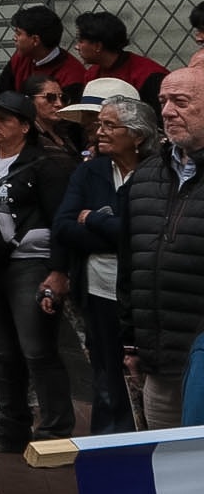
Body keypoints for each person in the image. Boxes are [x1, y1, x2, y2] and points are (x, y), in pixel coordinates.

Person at [47, 93, 155, 434]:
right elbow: (63, 226)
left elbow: (148, 232)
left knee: (148, 376)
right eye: (99, 125)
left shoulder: (158, 172)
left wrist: (94, 219)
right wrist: (117, 230)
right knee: (106, 375)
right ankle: (108, 446)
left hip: (147, 292)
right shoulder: (90, 171)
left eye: (110, 125)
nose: (99, 133)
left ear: (137, 135)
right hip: (98, 289)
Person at [0, 89, 74, 449]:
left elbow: (60, 220)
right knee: (3, 350)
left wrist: (58, 270)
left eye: (4, 119)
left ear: (26, 127)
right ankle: (11, 428)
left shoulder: (43, 165)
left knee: (36, 348)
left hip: (30, 264)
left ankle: (55, 430)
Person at [117, 65, 204, 429]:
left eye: (181, 102)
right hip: (160, 363)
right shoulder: (146, 176)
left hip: (199, 358)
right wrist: (132, 344)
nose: (167, 111)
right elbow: (130, 266)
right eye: (164, 101)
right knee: (169, 470)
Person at [0, 5, 88, 102]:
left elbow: (65, 114)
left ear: (35, 40)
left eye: (18, 33)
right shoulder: (20, 58)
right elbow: (0, 94)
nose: (14, 38)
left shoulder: (72, 75)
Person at [75, 11, 167, 107]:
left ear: (98, 46)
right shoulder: (92, 74)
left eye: (80, 41)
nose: (76, 47)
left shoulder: (148, 76)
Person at [20, 74, 84, 156]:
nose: (59, 104)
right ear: (29, 101)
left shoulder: (68, 132)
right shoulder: (26, 138)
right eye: (50, 97)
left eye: (62, 98)